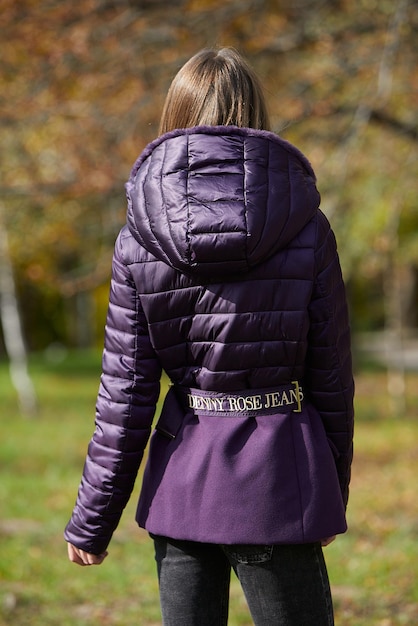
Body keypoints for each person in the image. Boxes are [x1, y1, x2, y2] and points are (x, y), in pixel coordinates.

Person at [65, 47, 354, 626]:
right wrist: (330, 494)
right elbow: (332, 379)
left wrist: (92, 519)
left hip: (182, 486)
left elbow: (125, 397)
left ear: (175, 113)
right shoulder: (307, 225)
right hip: (280, 483)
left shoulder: (139, 237)